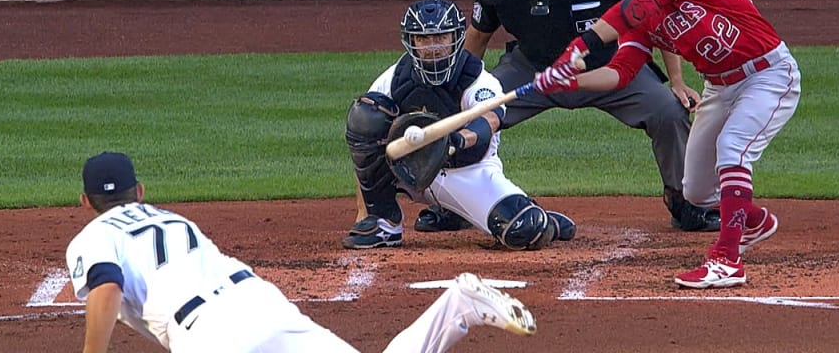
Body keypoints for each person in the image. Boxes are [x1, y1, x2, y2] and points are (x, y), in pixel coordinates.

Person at [535, 0, 801, 289]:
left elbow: (633, 8)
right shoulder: (644, 14)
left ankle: (727, 259)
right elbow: (620, 72)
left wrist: (577, 48)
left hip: (766, 74)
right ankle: (753, 220)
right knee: (695, 191)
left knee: (732, 150)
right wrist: (566, 81)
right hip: (720, 88)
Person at [437, 0, 718, 234]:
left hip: (610, 68)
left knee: (668, 110)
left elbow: (653, 18)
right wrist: (458, 92)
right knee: (468, 114)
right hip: (532, 68)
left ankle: (683, 200)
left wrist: (675, 80)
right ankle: (454, 201)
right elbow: (477, 38)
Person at [66, 151, 538, 353]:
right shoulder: (171, 218)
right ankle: (457, 305)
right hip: (258, 300)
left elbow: (105, 286)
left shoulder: (90, 237)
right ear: (141, 191)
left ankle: (459, 307)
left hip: (209, 335)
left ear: (85, 203)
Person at [344, 0, 576, 251]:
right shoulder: (396, 77)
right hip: (411, 170)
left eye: (440, 38)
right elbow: (365, 140)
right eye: (423, 39)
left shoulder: (477, 79)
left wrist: (457, 140)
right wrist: (363, 212)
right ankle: (382, 224)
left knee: (524, 230)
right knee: (366, 115)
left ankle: (539, 217)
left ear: (456, 38)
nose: (432, 48)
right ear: (411, 42)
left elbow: (489, 119)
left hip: (466, 172)